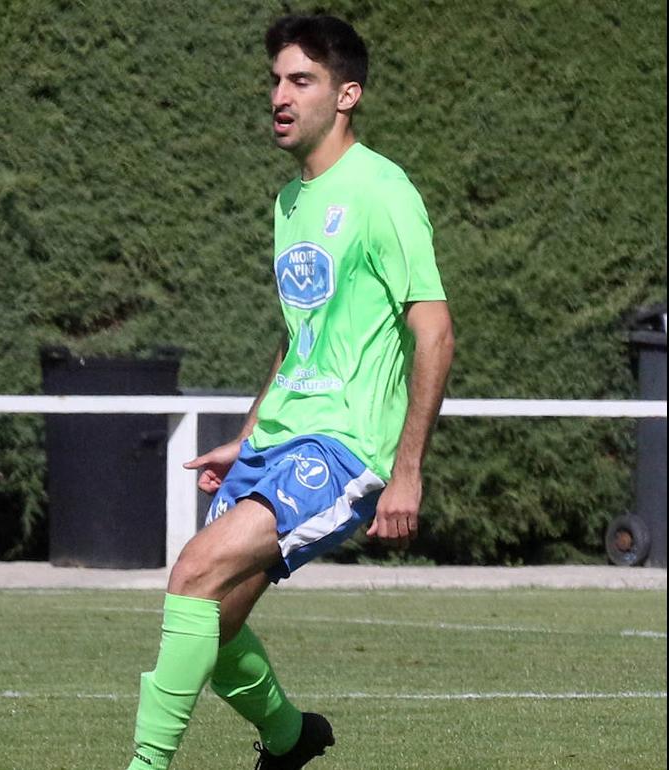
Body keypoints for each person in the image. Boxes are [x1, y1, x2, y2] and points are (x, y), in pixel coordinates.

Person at [125, 14, 454, 770]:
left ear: (347, 95)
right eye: (275, 79)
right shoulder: (289, 202)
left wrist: (406, 470)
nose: (280, 94)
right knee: (216, 622)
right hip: (278, 441)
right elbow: (299, 337)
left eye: (300, 80)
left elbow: (433, 332)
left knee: (193, 573)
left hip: (343, 449)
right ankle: (288, 736)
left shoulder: (381, 190)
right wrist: (248, 434)